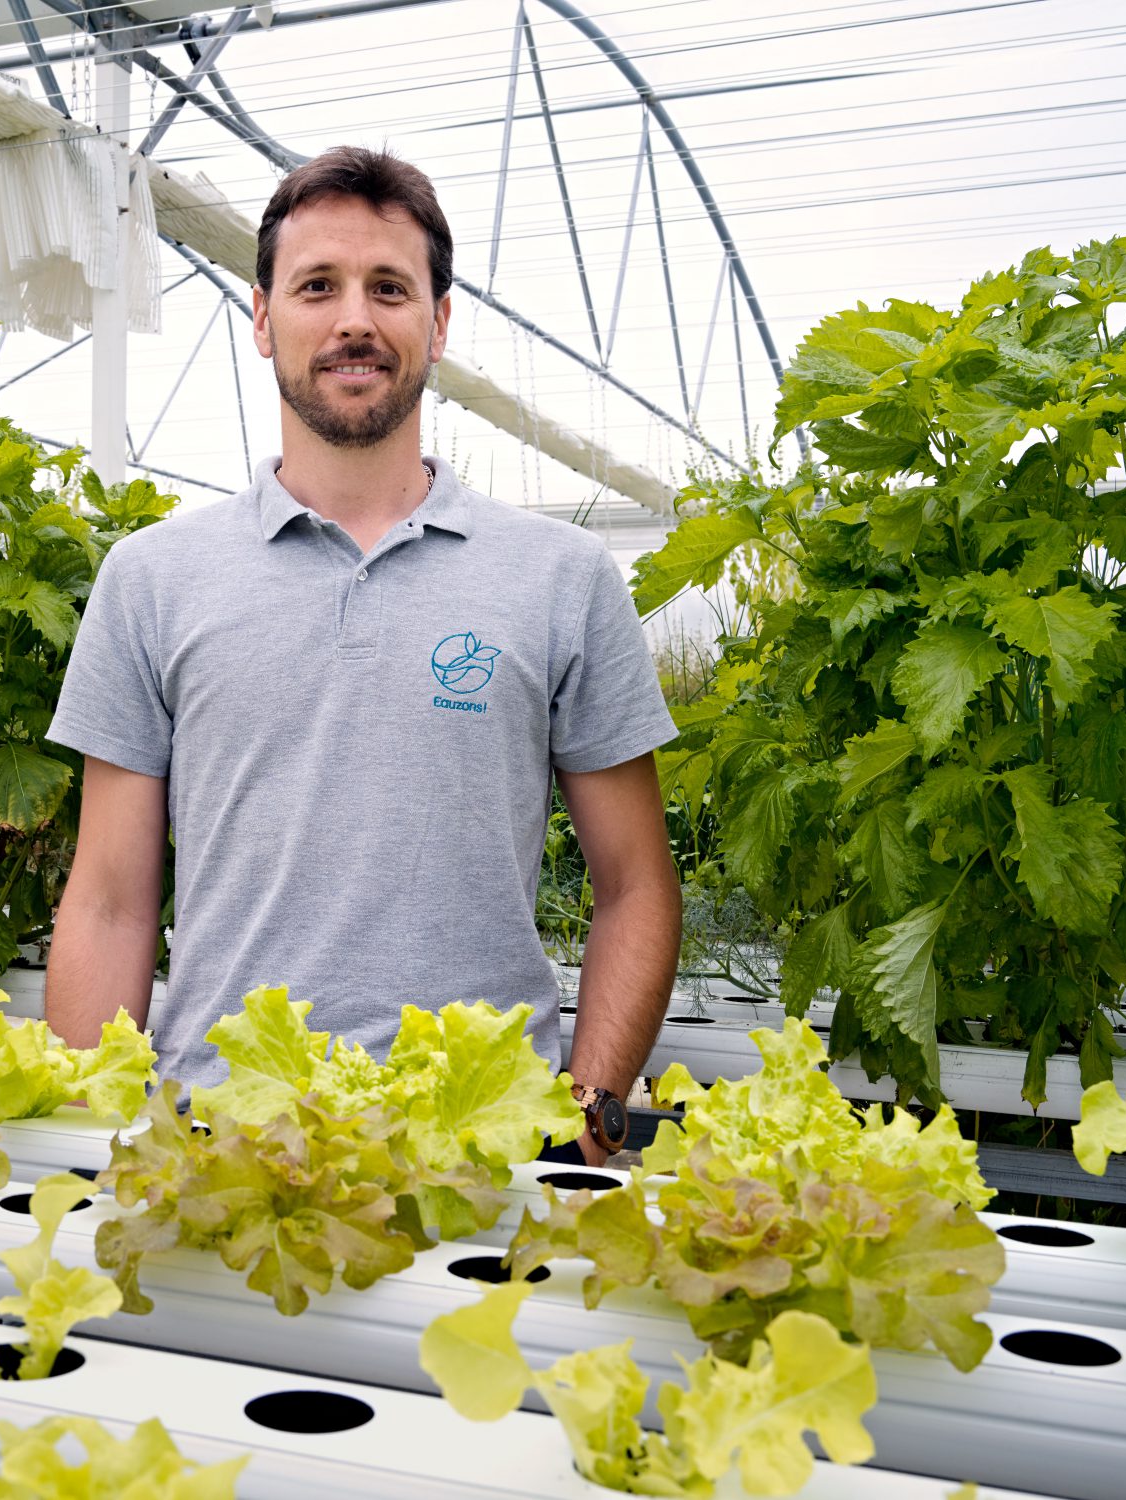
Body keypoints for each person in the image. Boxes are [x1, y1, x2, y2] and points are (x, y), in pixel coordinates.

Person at [43, 146, 681, 1166]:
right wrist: (86, 1136)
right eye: (317, 286)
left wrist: (590, 1116)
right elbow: (111, 900)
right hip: (221, 1141)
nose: (354, 320)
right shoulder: (153, 578)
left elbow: (637, 884)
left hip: (483, 1149)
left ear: (437, 322)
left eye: (390, 287)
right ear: (262, 317)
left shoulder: (561, 577)